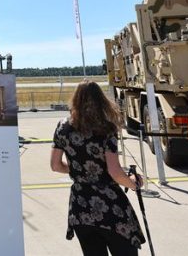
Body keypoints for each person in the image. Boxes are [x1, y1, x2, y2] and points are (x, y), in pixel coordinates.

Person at [50, 81, 146, 255]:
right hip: (109, 206)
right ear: (101, 101)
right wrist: (133, 183)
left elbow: (55, 165)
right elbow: (114, 172)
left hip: (80, 206)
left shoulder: (62, 126)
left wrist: (80, 172)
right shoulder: (106, 128)